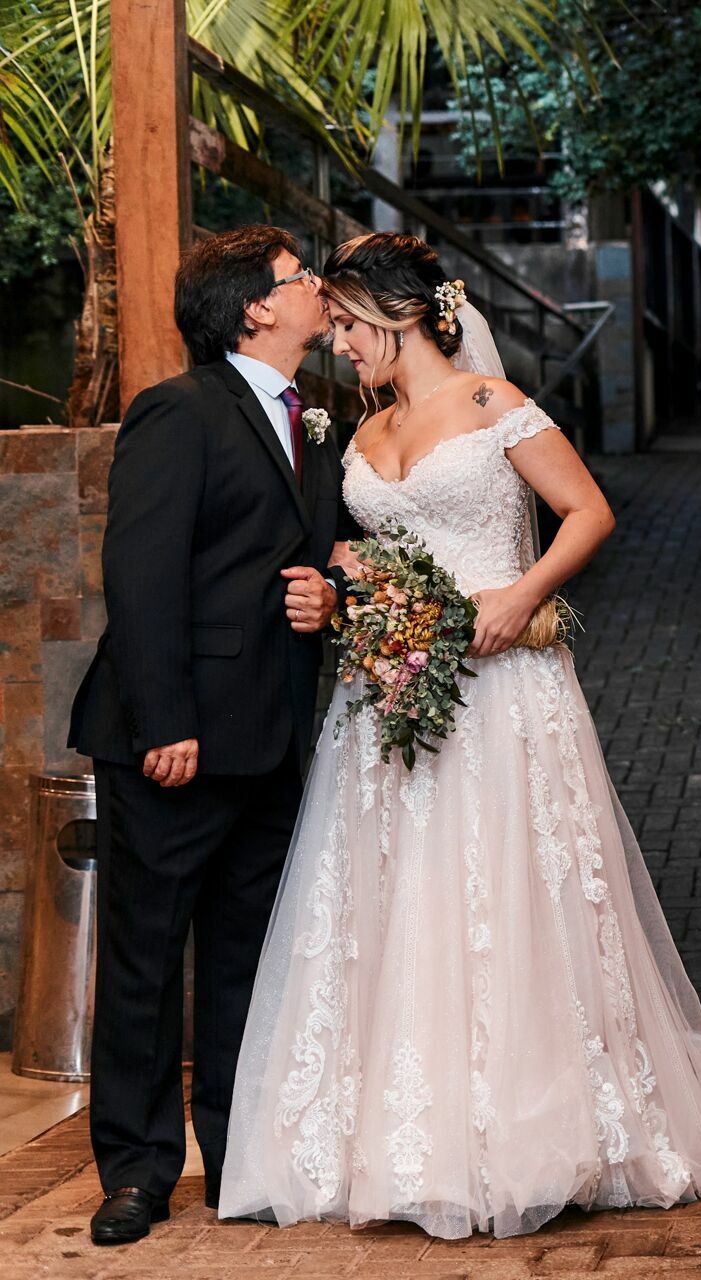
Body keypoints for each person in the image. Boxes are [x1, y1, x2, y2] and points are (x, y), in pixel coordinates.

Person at [217, 232, 701, 1239]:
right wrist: (361, 591)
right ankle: (406, 1134)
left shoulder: (494, 407)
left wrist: (522, 591)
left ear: (396, 318)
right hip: (388, 697)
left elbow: (585, 512)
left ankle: (533, 1126)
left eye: (348, 325)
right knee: (401, 899)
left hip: (502, 689)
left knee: (509, 892)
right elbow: (361, 549)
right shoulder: (360, 430)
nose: (339, 344)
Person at [68, 225, 351, 1246]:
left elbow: (305, 561)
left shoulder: (314, 420)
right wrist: (165, 723)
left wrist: (328, 593)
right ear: (253, 309)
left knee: (245, 959)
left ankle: (238, 1157)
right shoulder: (177, 411)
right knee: (145, 959)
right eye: (300, 278)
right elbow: (139, 574)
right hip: (175, 739)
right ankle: (137, 1170)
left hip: (272, 737)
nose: (319, 290)